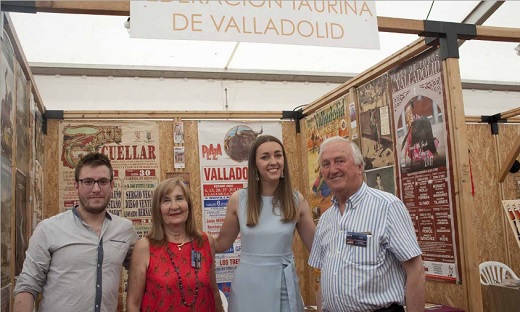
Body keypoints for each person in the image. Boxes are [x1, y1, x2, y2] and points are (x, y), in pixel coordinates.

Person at [308, 137, 425, 312]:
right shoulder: (326, 219)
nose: (332, 169)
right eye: (325, 164)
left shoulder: (387, 207)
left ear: (360, 166)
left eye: (340, 160)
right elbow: (324, 278)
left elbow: (416, 272)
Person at [13, 152, 138, 312]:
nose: (96, 188)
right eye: (88, 182)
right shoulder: (49, 229)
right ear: (76, 186)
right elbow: (27, 286)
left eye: (103, 181)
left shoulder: (125, 230)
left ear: (111, 185)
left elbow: (146, 270)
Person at [215, 135, 316, 312]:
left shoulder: (296, 200)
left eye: (278, 155)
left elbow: (317, 248)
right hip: (248, 287)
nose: (273, 161)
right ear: (254, 164)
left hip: (284, 286)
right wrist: (188, 237)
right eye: (265, 157)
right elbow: (221, 243)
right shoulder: (239, 200)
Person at [127, 177, 224, 312]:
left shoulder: (205, 242)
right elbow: (133, 303)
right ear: (158, 210)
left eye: (179, 198)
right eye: (166, 200)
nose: (174, 206)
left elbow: (213, 292)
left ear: (188, 205)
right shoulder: (144, 247)